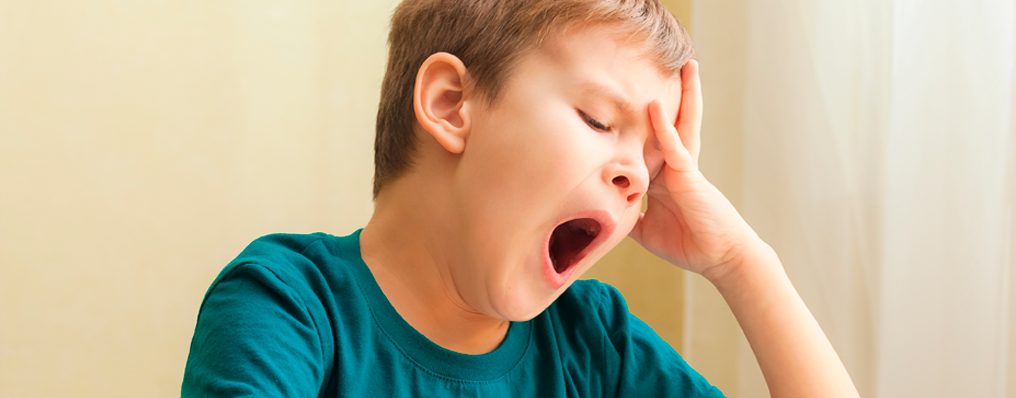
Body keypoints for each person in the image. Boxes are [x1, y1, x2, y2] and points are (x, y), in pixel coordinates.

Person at [182, 0, 860, 396]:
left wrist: (741, 261)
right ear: (451, 105)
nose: (637, 178)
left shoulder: (595, 345)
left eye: (654, 165)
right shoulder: (289, 305)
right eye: (599, 121)